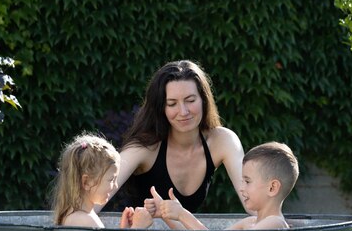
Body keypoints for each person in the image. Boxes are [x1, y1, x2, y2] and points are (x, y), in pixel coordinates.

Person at [96, 60, 248, 217]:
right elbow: (92, 201)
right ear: (161, 108)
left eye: (190, 100)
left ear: (204, 99)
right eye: (172, 103)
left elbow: (256, 202)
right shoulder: (143, 147)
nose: (183, 111)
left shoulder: (223, 141)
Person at [153, 142, 299, 230]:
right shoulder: (250, 223)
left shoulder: (274, 223)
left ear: (272, 188)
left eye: (247, 181)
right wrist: (169, 215)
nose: (241, 188)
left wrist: (182, 214)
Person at [51, 133, 152, 229]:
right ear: (86, 182)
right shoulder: (83, 220)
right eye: (111, 179)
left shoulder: (82, 216)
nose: (116, 186)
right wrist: (137, 228)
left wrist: (125, 230)